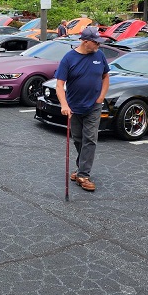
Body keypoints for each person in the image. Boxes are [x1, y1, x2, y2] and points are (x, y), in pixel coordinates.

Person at [56, 26, 111, 193]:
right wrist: (64, 105)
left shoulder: (99, 56)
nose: (99, 46)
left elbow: (105, 77)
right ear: (85, 42)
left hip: (93, 106)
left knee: (90, 140)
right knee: (78, 140)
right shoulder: (69, 59)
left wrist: (101, 97)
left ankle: (83, 175)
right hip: (74, 106)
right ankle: (81, 168)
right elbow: (59, 85)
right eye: (96, 42)